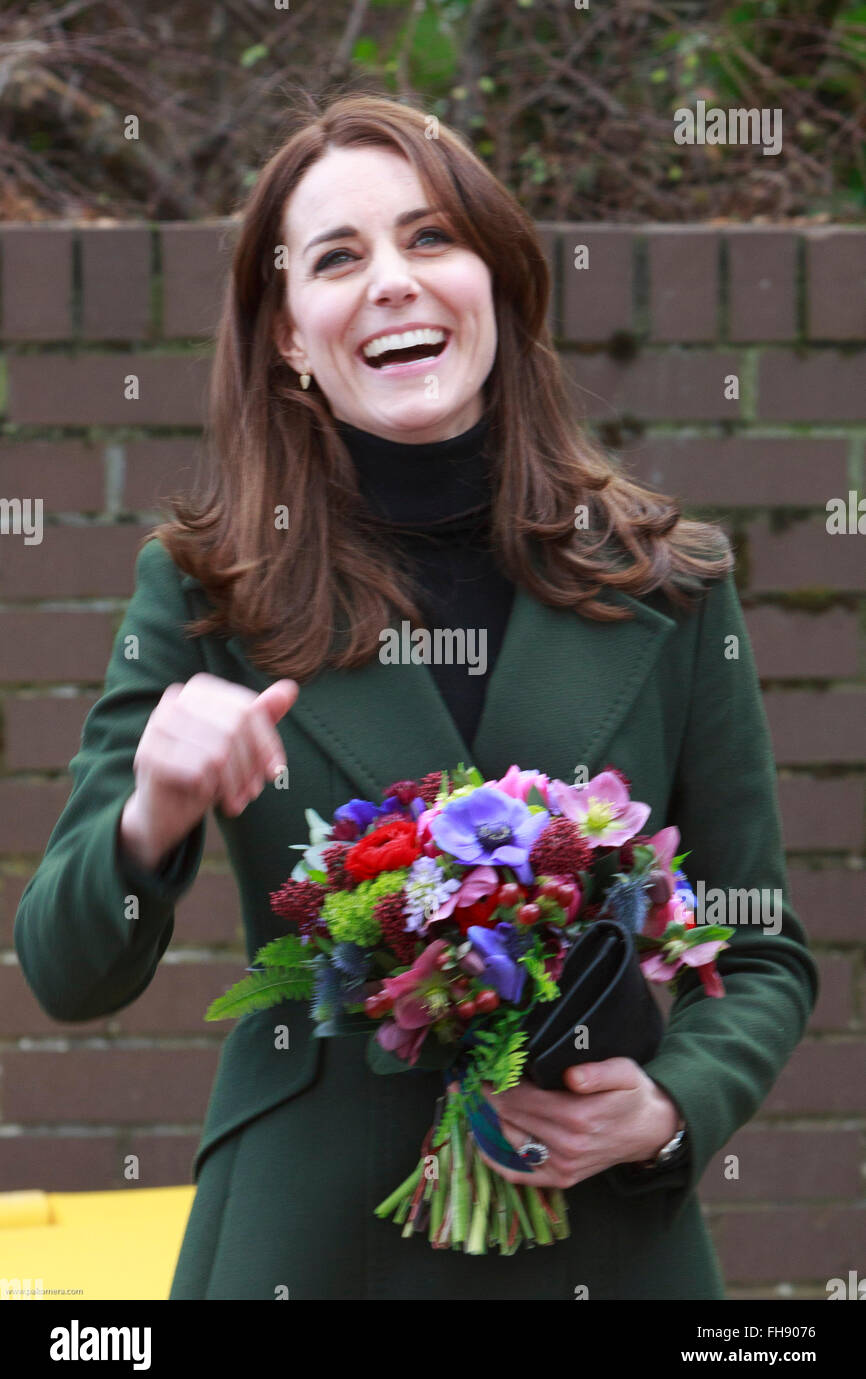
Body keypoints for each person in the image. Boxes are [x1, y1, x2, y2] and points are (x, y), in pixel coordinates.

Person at [13, 91, 819, 1300]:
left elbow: (756, 947)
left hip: (601, 1241)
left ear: (493, 280)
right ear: (287, 333)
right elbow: (68, 971)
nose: (391, 279)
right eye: (337, 258)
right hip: (309, 1239)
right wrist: (151, 809)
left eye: (431, 237)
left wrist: (664, 1107)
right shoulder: (204, 591)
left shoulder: (670, 582)